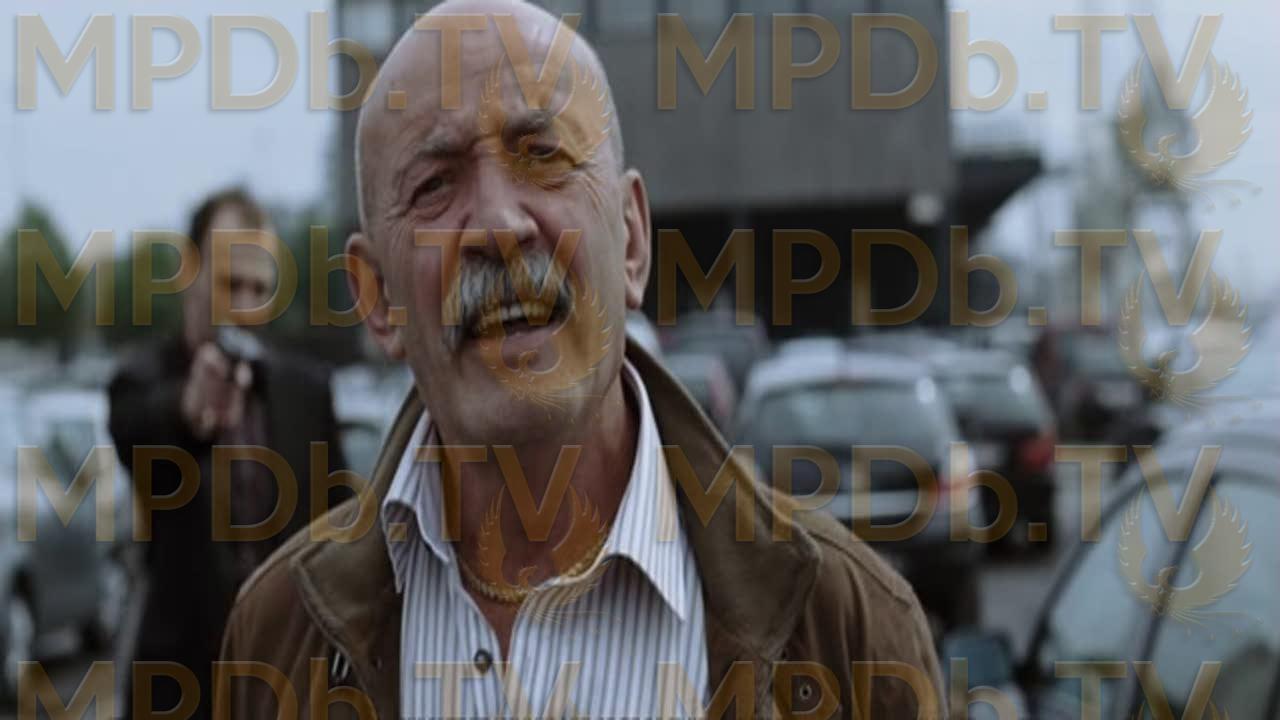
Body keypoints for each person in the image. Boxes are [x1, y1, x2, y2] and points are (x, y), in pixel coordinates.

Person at [219, 2, 943, 717]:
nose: (499, 226)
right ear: (377, 297)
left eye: (543, 157)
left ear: (632, 241)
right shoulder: (277, 640)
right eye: (434, 185)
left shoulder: (848, 631)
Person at [108, 188, 349, 718]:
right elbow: (136, 430)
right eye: (229, 284)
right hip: (180, 688)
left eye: (258, 288)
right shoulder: (142, 379)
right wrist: (188, 413)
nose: (244, 306)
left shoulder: (306, 391)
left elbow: (340, 531)